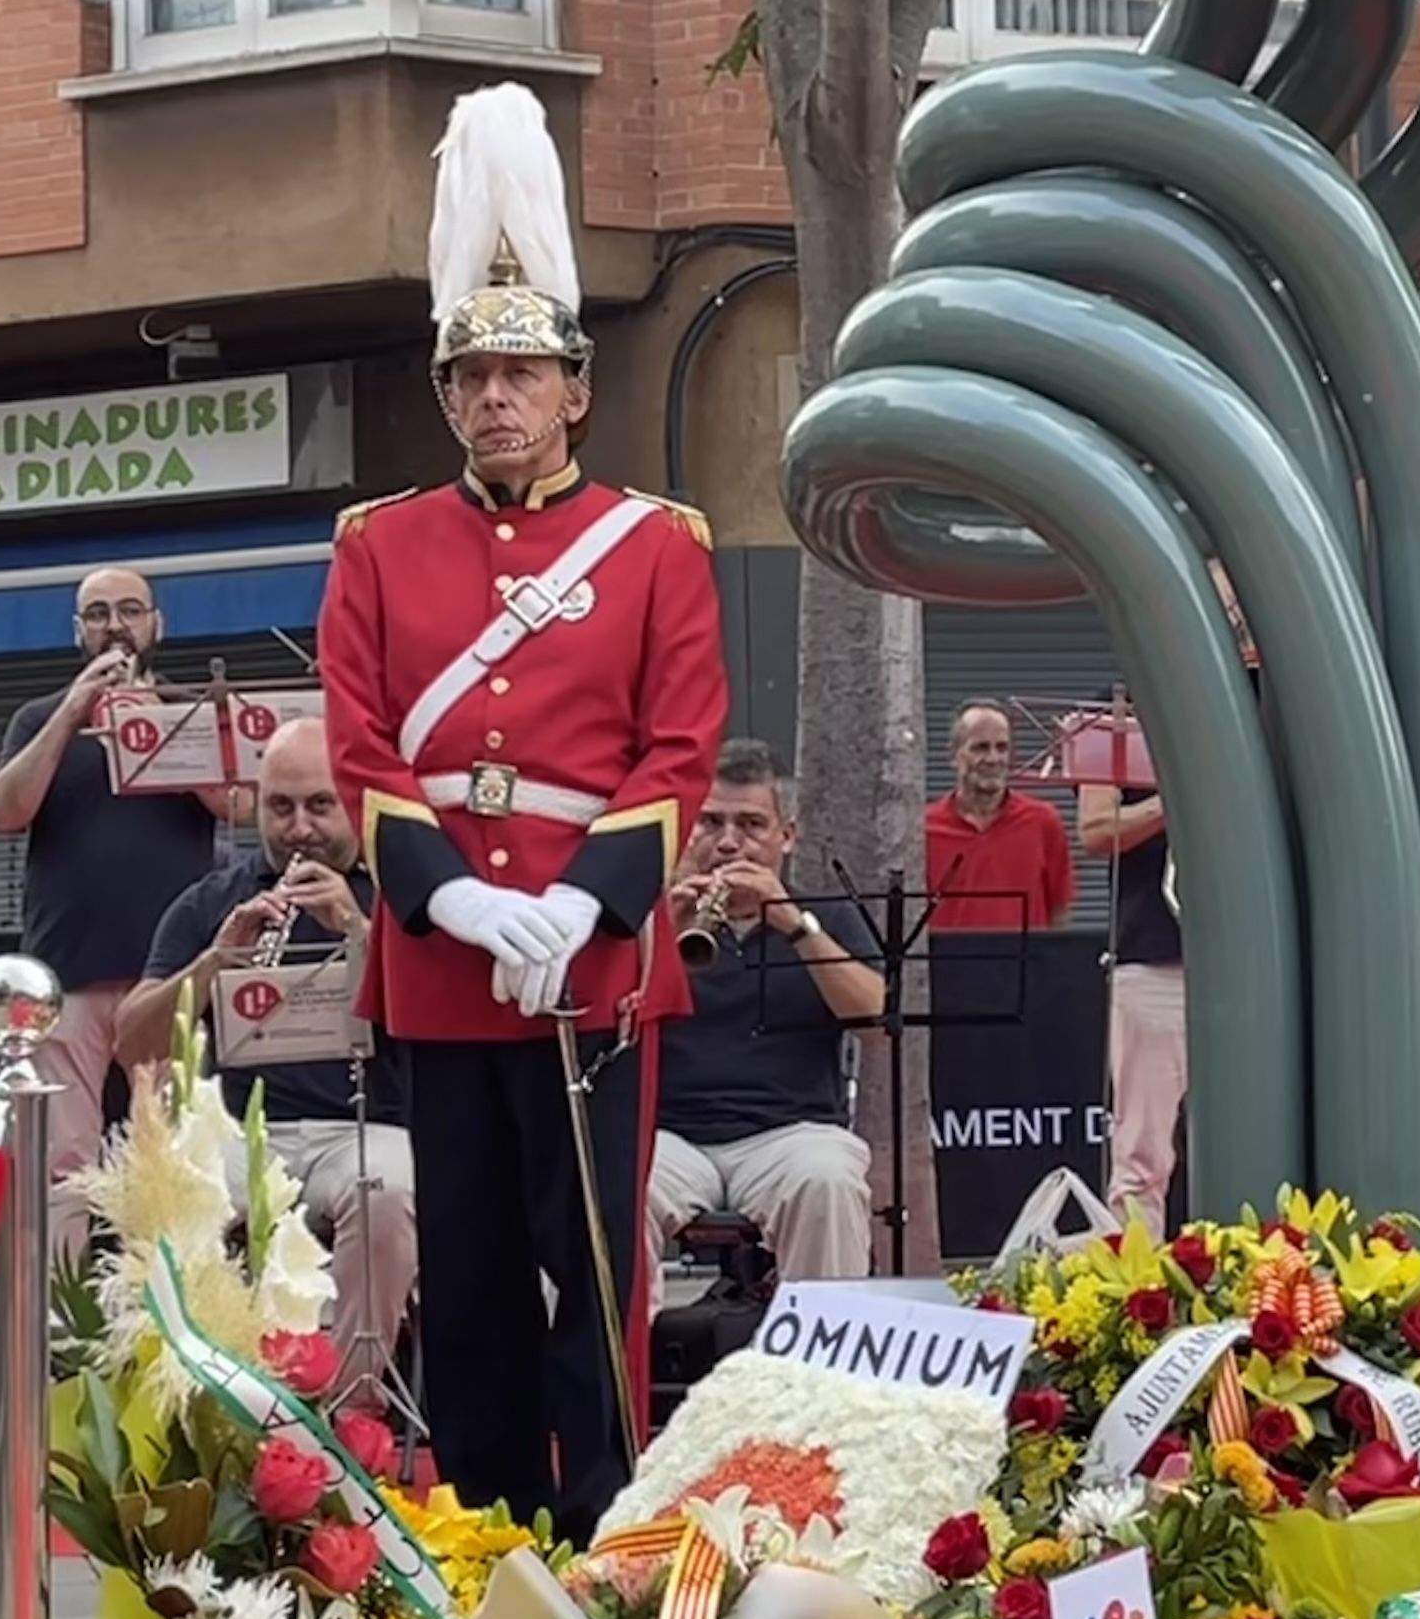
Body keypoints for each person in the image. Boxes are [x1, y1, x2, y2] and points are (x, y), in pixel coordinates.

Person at [323, 83, 726, 1532]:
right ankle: (484, 1522)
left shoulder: (654, 547)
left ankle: (606, 1520)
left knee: (595, 1268)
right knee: (475, 1268)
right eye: (470, 378)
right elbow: (362, 744)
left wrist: (576, 899)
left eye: (522, 374)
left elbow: (682, 745)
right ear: (448, 396)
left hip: (592, 966)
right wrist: (453, 893)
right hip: (445, 966)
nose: (495, 397)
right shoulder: (378, 547)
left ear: (574, 390)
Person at [121, 716, 414, 1396]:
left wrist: (358, 931)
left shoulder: (401, 896)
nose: (300, 829)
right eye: (281, 808)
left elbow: (439, 1026)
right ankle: (208, 1400)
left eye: (320, 806)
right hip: (238, 1131)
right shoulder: (212, 901)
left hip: (368, 1129)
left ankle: (347, 1407)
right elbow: (132, 1042)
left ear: (356, 805)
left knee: (389, 1193)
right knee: (176, 1196)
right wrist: (216, 960)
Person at [0, 564, 234, 1238]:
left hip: (171, 968)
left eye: (129, 610)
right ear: (77, 631)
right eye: (97, 614)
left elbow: (243, 805)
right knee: (62, 1162)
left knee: (178, 1155)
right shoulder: (39, 718)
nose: (114, 626)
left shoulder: (190, 709)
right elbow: (5, 812)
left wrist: (165, 728)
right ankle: (60, 1324)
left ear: (158, 623)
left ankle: (176, 1316)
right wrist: (71, 714)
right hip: (70, 966)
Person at [646, 743, 886, 1282]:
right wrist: (660, 932)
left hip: (791, 1133)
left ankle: (821, 1362)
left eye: (752, 825)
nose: (729, 843)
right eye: (710, 823)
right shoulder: (648, 915)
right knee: (609, 1190)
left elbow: (877, 1025)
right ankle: (612, 1365)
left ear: (787, 836)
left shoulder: (823, 917)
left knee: (829, 1181)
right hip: (669, 1134)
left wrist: (792, 924)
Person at [1081, 754, 1185, 1221]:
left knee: (1262, 1132)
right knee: (1143, 1149)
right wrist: (1187, 796)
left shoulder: (1283, 701)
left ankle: (1269, 1279)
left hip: (1263, 958)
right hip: (1155, 958)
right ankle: (1138, 1283)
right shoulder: (1120, 710)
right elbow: (1097, 830)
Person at [923, 703, 1075, 930]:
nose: (993, 759)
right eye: (980, 748)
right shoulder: (924, 829)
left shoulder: (1043, 821)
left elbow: (1059, 912)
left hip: (1025, 963)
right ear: (953, 756)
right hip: (948, 963)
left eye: (1002, 748)